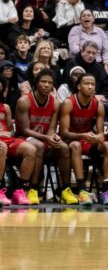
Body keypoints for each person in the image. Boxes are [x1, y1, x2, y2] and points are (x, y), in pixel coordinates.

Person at [14, 68, 75, 204]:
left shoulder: (55, 103)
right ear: (36, 83)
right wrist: (47, 138)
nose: (47, 85)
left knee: (63, 147)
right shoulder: (24, 101)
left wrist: (54, 137)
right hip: (23, 139)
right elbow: (24, 130)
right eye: (43, 82)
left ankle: (65, 190)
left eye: (50, 82)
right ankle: (33, 189)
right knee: (39, 146)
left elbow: (51, 129)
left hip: (43, 138)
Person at [59, 72, 108, 205]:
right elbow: (63, 133)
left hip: (87, 141)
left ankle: (106, 190)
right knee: (76, 145)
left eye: (92, 84)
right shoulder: (69, 102)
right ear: (78, 86)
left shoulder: (98, 105)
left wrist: (99, 137)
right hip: (71, 140)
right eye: (86, 84)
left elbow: (101, 133)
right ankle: (82, 190)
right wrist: (83, 136)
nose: (90, 87)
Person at [0, 96, 42, 205]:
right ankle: (0, 190)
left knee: (31, 149)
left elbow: (11, 130)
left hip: (6, 138)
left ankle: (20, 190)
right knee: (2, 147)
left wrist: (10, 133)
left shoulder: (5, 107)